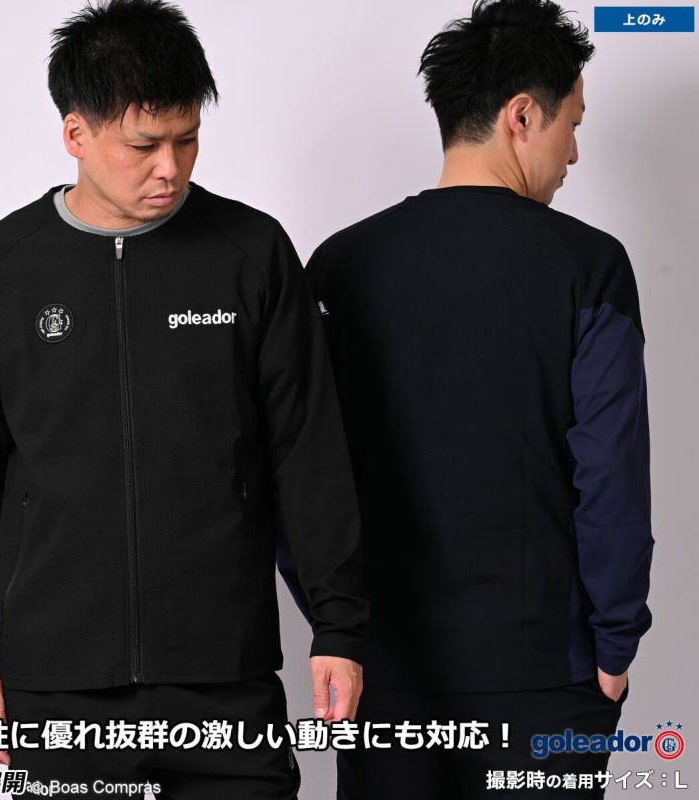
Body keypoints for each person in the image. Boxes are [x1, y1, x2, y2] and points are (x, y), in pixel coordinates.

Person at [0, 1, 367, 797]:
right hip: (56, 688)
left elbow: (307, 450)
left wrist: (339, 625)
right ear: (76, 133)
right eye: (144, 145)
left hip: (224, 680)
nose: (171, 167)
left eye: (187, 139)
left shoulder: (251, 253)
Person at [295, 1, 654, 797]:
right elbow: (612, 475)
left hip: (385, 672)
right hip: (545, 674)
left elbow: (297, 470)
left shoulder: (340, 266)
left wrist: (338, 626)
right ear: (522, 116)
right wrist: (615, 647)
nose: (575, 151)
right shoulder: (587, 266)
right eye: (571, 124)